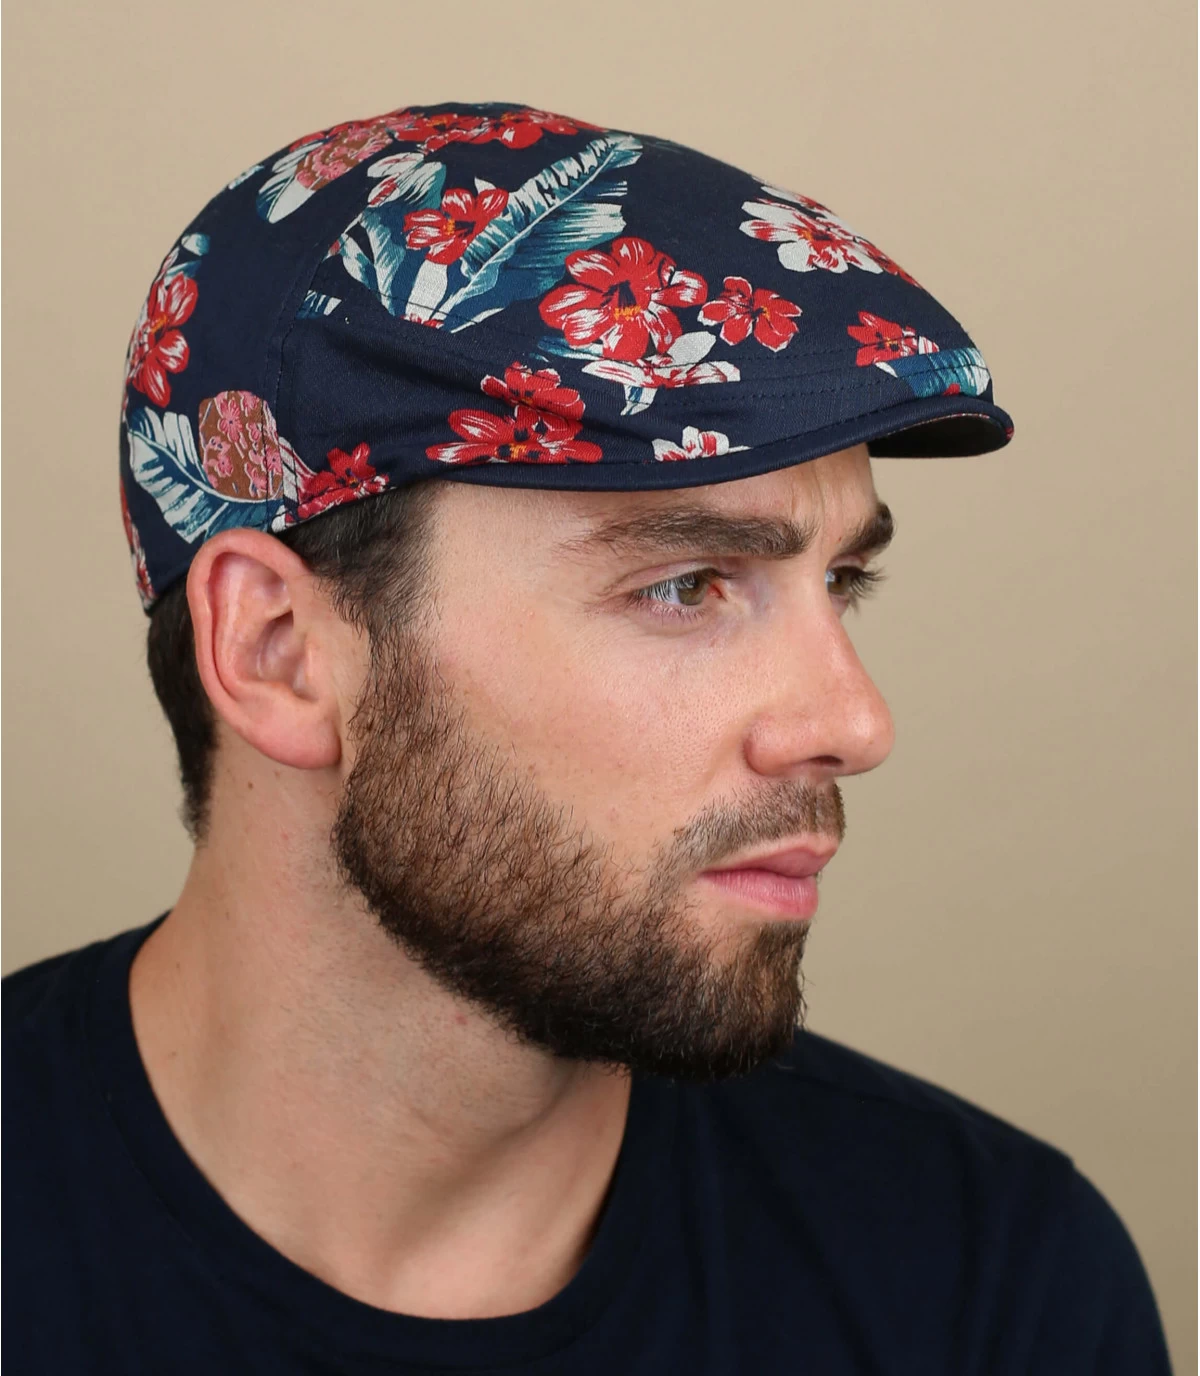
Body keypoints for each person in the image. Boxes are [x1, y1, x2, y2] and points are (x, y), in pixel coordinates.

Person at [3, 101, 1173, 1373]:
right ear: (279, 650)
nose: (855, 723)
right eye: (685, 586)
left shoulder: (985, 1280)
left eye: (842, 582)